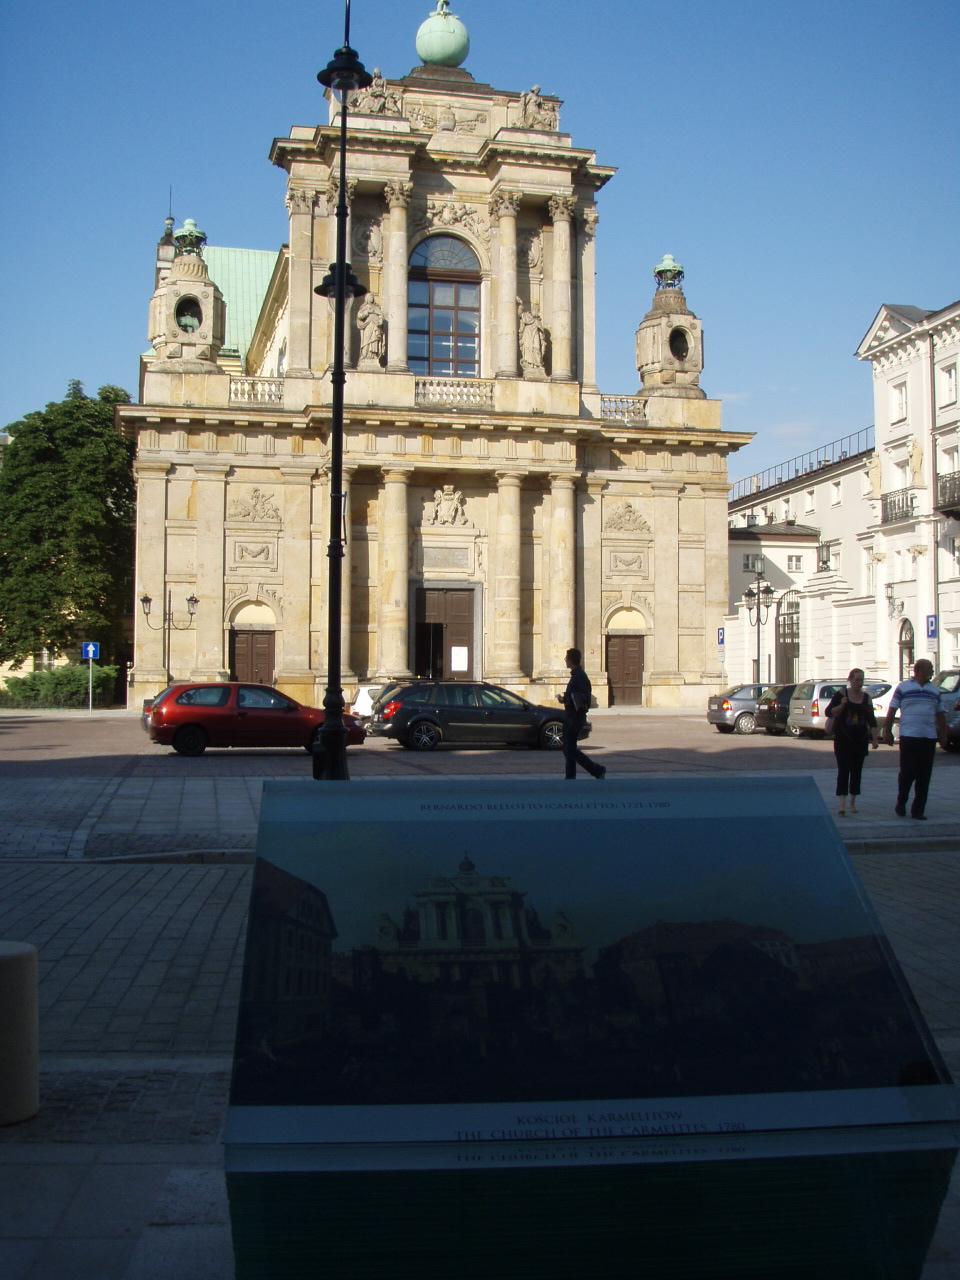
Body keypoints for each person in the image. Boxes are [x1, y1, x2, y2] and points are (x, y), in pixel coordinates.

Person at [882, 658, 948, 819]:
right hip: (909, 736)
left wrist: (943, 735)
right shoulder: (903, 688)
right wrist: (887, 731)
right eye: (929, 668)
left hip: (928, 737)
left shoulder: (934, 691)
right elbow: (892, 709)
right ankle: (901, 801)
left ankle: (918, 810)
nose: (932, 671)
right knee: (907, 772)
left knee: (924, 775)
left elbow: (940, 715)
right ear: (918, 671)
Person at [825, 668, 879, 816]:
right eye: (856, 680)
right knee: (843, 770)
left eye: (861, 680)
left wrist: (875, 739)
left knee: (857, 771)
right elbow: (828, 712)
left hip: (860, 740)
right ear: (850, 680)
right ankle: (842, 804)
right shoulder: (842, 694)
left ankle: (853, 802)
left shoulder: (866, 698)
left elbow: (872, 720)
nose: (859, 683)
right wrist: (842, 705)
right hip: (843, 739)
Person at [559, 648, 605, 780]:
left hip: (574, 718)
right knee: (569, 749)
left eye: (566, 658)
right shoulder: (577, 675)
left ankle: (597, 770)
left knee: (569, 749)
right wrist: (565, 699)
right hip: (573, 716)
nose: (565, 660)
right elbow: (575, 696)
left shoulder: (579, 676)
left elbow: (581, 698)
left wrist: (566, 699)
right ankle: (570, 777)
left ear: (571, 660)